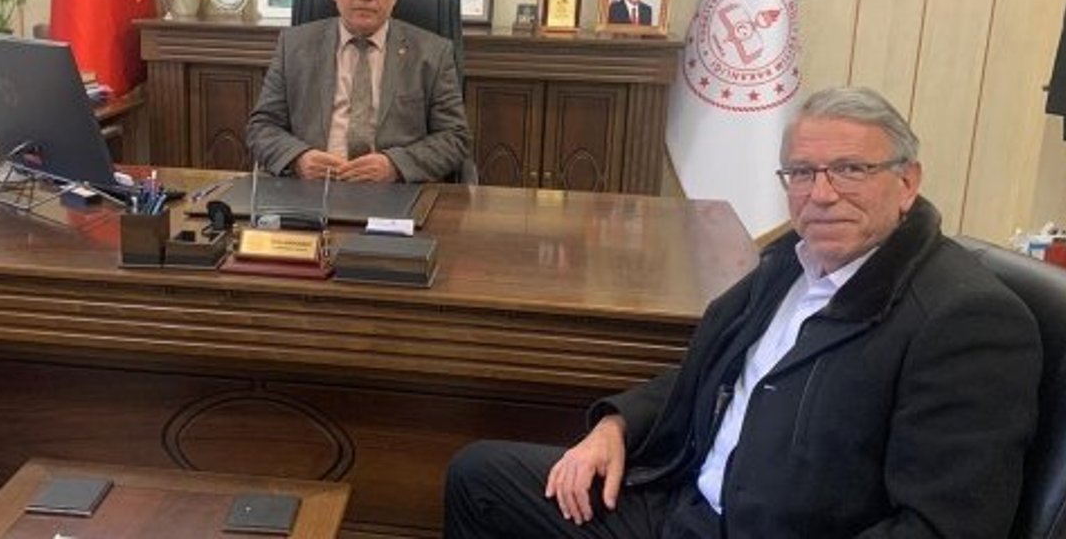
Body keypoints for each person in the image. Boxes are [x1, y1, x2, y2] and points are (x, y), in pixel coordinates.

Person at [444, 86, 1041, 537]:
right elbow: (712, 370)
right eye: (802, 173)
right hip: (685, 507)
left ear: (907, 182)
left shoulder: (966, 321)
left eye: (851, 170)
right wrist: (615, 427)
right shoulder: (791, 263)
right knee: (480, 480)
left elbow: (943, 528)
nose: (822, 193)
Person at [246, 0, 471, 184]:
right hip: (312, 187)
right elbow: (261, 127)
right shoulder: (294, 46)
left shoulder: (433, 53)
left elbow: (455, 137)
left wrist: (396, 166)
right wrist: (298, 158)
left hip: (395, 190)